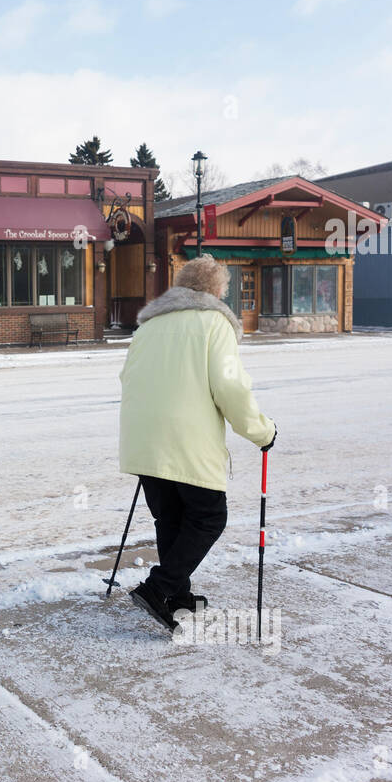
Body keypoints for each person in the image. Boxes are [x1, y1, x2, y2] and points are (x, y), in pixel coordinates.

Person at [118, 256, 275, 632]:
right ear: (216, 290)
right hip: (186, 439)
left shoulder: (149, 326)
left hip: (144, 437)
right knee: (208, 517)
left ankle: (176, 595)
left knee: (170, 517)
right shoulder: (213, 323)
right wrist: (261, 431)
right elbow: (230, 388)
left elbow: (127, 377)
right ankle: (159, 589)